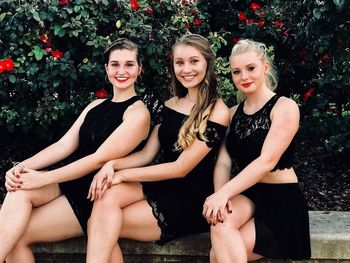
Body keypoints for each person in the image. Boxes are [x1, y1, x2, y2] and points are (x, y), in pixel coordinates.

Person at [0, 38, 150, 262]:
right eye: (115, 64)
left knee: (17, 236)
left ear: (139, 69)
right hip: (69, 182)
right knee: (18, 191)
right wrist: (21, 167)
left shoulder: (138, 114)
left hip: (93, 194)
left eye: (129, 64)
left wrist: (43, 178)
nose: (121, 71)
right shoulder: (95, 106)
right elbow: (63, 145)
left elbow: (98, 160)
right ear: (106, 68)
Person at [85, 34, 230, 262]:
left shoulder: (217, 111)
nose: (186, 69)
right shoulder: (171, 104)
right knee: (105, 200)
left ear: (207, 64)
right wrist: (111, 165)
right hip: (162, 186)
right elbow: (146, 154)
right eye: (179, 62)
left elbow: (180, 168)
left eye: (194, 61)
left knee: (98, 223)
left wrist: (121, 175)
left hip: (189, 199)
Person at [202, 39, 311, 262]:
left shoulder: (284, 107)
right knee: (219, 222)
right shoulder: (232, 114)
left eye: (250, 68)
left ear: (265, 67)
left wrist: (223, 194)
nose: (244, 77)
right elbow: (223, 162)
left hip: (282, 199)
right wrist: (223, 195)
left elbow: (267, 161)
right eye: (236, 71)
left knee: (217, 254)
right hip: (249, 195)